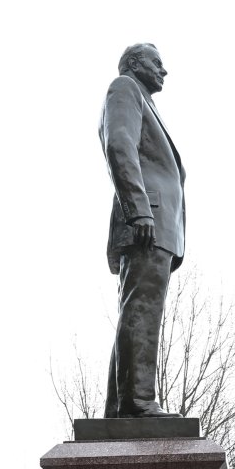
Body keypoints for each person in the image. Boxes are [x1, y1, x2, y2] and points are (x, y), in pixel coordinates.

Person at [99, 43, 186, 419]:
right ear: (135, 64)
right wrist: (139, 211)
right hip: (147, 218)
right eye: (157, 63)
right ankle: (138, 402)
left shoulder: (143, 100)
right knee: (142, 309)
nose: (164, 71)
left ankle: (120, 407)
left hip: (155, 221)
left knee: (137, 310)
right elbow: (119, 145)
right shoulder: (125, 88)